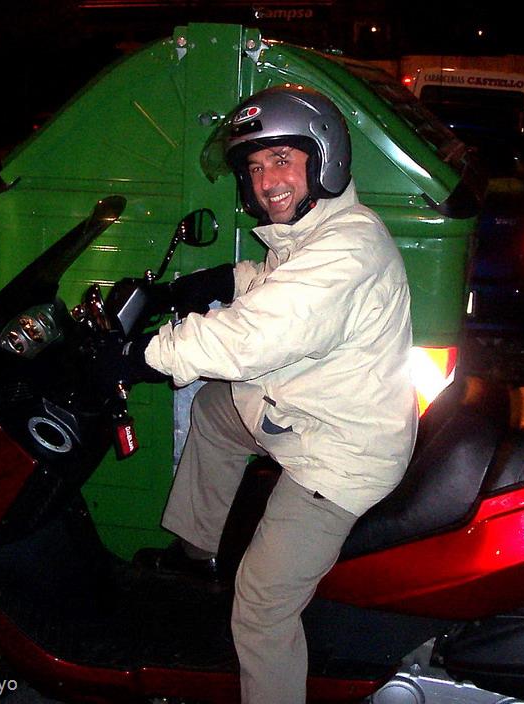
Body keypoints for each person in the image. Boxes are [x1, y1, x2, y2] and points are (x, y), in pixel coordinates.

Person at [109, 85, 417, 703]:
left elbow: (258, 333)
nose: (266, 180)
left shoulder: (348, 247)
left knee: (261, 607)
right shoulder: (316, 232)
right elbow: (275, 283)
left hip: (339, 456)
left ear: (323, 157)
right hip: (303, 412)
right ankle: (198, 551)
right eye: (254, 167)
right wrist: (209, 283)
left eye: (280, 159)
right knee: (215, 408)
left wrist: (139, 357)